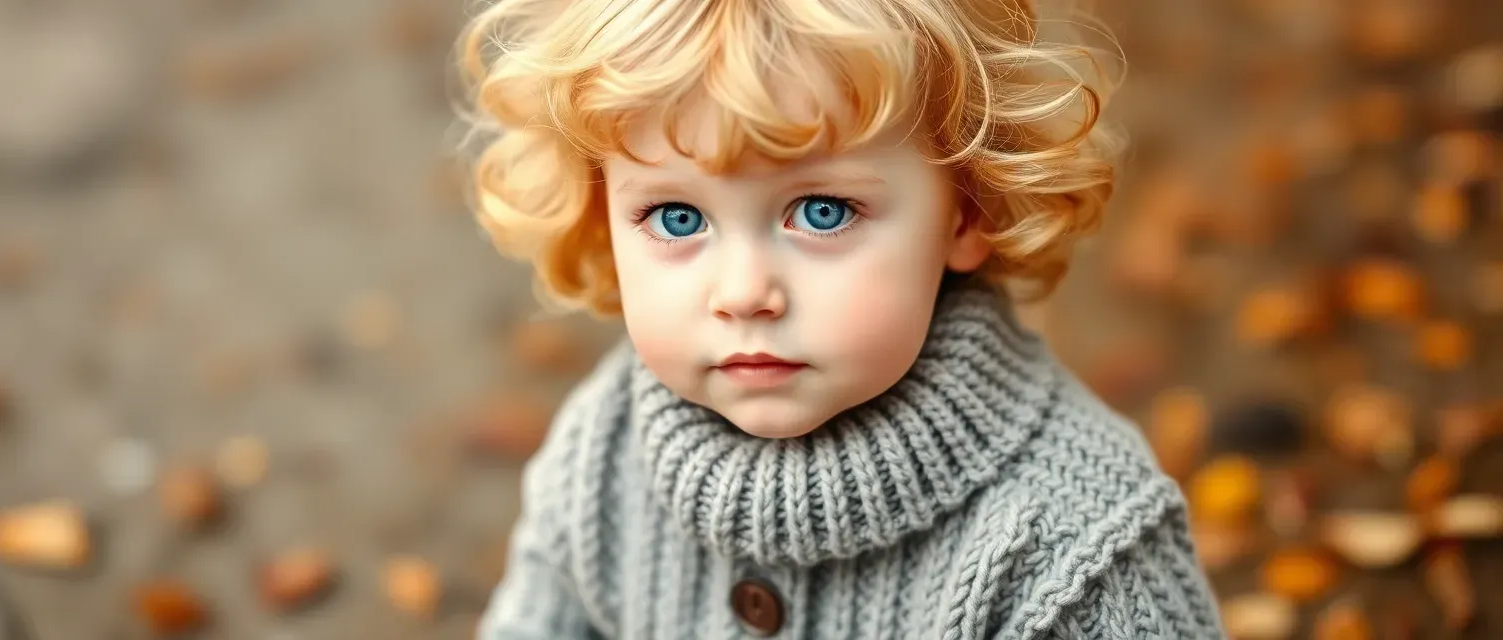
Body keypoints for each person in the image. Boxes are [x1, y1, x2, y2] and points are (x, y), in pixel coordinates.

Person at [458, 0, 1225, 637]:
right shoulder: (606, 447)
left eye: (821, 212)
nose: (744, 291)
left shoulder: (1075, 545)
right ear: (602, 213)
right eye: (677, 217)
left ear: (967, 208)